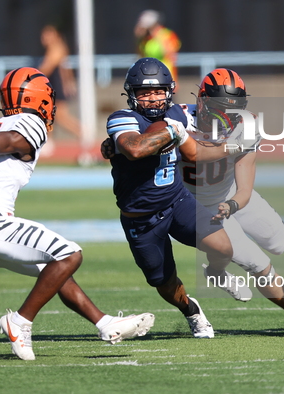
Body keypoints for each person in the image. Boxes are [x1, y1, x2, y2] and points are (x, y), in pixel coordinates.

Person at [0, 67, 154, 360]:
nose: (50, 106)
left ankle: (105, 324)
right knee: (69, 255)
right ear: (38, 100)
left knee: (53, 270)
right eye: (48, 99)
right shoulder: (30, 122)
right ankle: (20, 321)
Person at [105, 57, 245, 339]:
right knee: (164, 283)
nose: (153, 99)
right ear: (132, 94)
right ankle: (192, 311)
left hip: (177, 201)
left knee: (224, 248)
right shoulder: (123, 118)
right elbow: (134, 148)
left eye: (158, 91)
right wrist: (171, 131)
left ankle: (216, 272)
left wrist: (237, 139)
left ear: (169, 90)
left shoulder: (178, 114)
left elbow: (204, 135)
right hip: (141, 218)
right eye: (145, 93)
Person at [175, 68, 284, 331]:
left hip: (229, 195)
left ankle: (215, 270)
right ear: (202, 101)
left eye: (233, 109)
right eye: (218, 108)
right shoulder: (179, 119)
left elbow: (245, 187)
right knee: (259, 264)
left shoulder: (246, 125)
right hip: (195, 206)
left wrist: (233, 205)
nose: (226, 116)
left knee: (280, 243)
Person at [38, 24, 82, 157]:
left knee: (60, 116)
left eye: (48, 34)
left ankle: (82, 134)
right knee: (47, 114)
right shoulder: (55, 48)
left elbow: (47, 68)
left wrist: (31, 77)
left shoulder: (56, 48)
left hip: (56, 87)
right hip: (53, 86)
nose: (44, 38)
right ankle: (47, 142)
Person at [134, 10, 181, 89]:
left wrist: (157, 36)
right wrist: (139, 37)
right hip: (148, 77)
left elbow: (169, 53)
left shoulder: (167, 34)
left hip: (166, 77)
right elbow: (140, 56)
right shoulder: (145, 40)